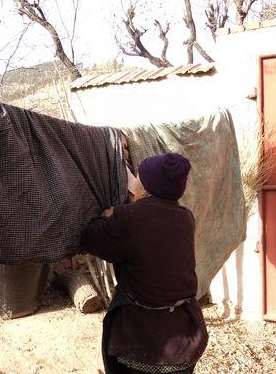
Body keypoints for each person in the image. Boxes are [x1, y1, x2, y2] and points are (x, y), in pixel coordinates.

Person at [81, 152, 208, 374]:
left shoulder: (129, 218)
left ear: (147, 187)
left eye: (138, 178)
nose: (134, 184)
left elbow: (90, 238)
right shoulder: (185, 217)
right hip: (186, 338)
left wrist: (106, 218)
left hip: (145, 342)